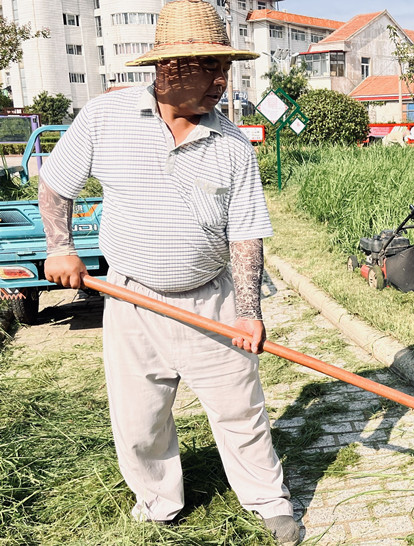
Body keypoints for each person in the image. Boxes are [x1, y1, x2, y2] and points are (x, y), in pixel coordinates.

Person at [37, 1, 300, 543]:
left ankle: (268, 501)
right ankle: (158, 502)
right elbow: (56, 183)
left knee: (241, 411)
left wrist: (249, 313)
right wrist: (60, 247)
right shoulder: (104, 118)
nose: (223, 80)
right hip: (132, 299)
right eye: (211, 67)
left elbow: (245, 235)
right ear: (169, 67)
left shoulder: (232, 145)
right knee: (140, 421)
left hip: (211, 300)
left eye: (225, 68)